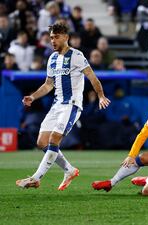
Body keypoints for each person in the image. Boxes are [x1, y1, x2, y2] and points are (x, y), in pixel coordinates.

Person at [15, 22, 110, 190]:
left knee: (54, 139)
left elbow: (93, 78)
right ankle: (69, 170)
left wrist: (101, 96)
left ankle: (36, 178)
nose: (53, 41)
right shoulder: (52, 59)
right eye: (51, 37)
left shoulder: (77, 55)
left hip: (71, 105)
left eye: (56, 37)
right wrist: (33, 96)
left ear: (66, 37)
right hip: (56, 105)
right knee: (42, 141)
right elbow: (48, 84)